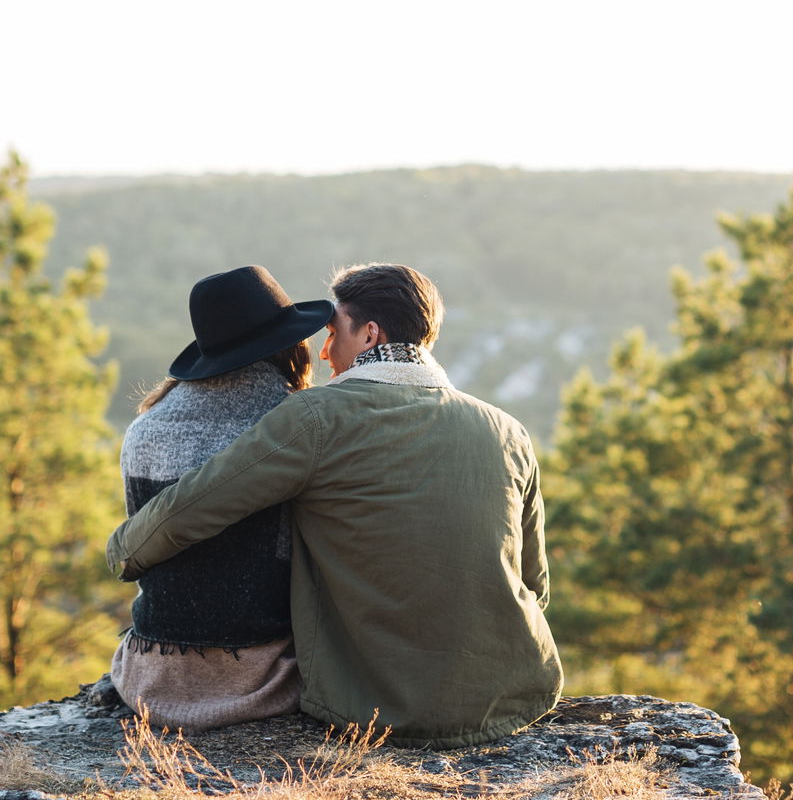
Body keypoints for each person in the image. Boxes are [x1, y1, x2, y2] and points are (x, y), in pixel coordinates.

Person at [106, 262, 563, 749]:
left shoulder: (316, 417)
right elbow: (533, 582)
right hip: (519, 692)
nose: (323, 352)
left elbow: (188, 510)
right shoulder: (507, 429)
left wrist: (122, 551)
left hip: (377, 706)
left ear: (368, 334)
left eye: (332, 332)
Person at [109, 264, 334, 731]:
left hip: (150, 676)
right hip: (261, 676)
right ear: (292, 344)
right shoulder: (296, 422)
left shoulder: (144, 428)